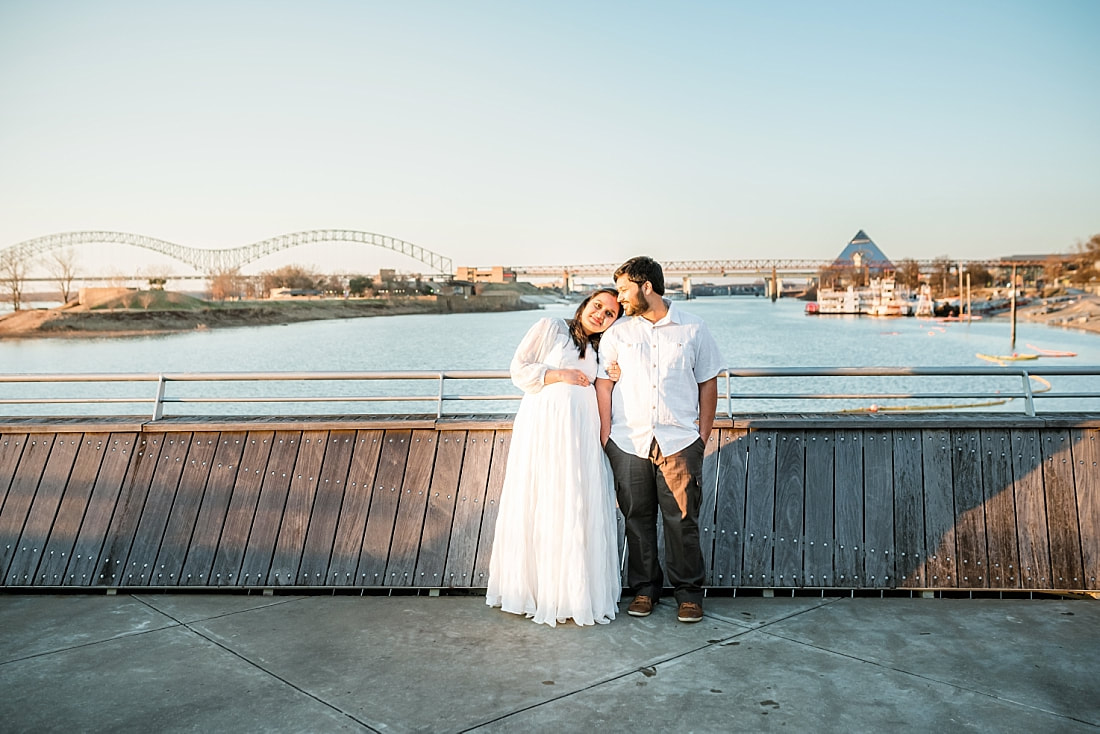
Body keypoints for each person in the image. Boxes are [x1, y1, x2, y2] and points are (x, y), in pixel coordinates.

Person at [595, 256, 723, 623]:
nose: (619, 299)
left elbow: (708, 381)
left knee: (682, 519)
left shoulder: (694, 329)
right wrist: (606, 435)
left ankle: (688, 594)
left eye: (623, 290)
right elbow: (604, 382)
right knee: (637, 518)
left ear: (646, 286)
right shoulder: (618, 333)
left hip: (679, 440)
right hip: (628, 440)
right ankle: (644, 590)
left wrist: (702, 434)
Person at [486, 288, 624, 627]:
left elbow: (606, 388)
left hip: (580, 438)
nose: (601, 315)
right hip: (545, 432)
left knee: (574, 504)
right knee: (543, 501)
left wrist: (617, 376)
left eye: (610, 314)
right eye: (598, 306)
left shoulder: (600, 348)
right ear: (585, 303)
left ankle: (571, 593)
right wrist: (557, 375)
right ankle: (537, 590)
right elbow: (518, 369)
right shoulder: (551, 327)